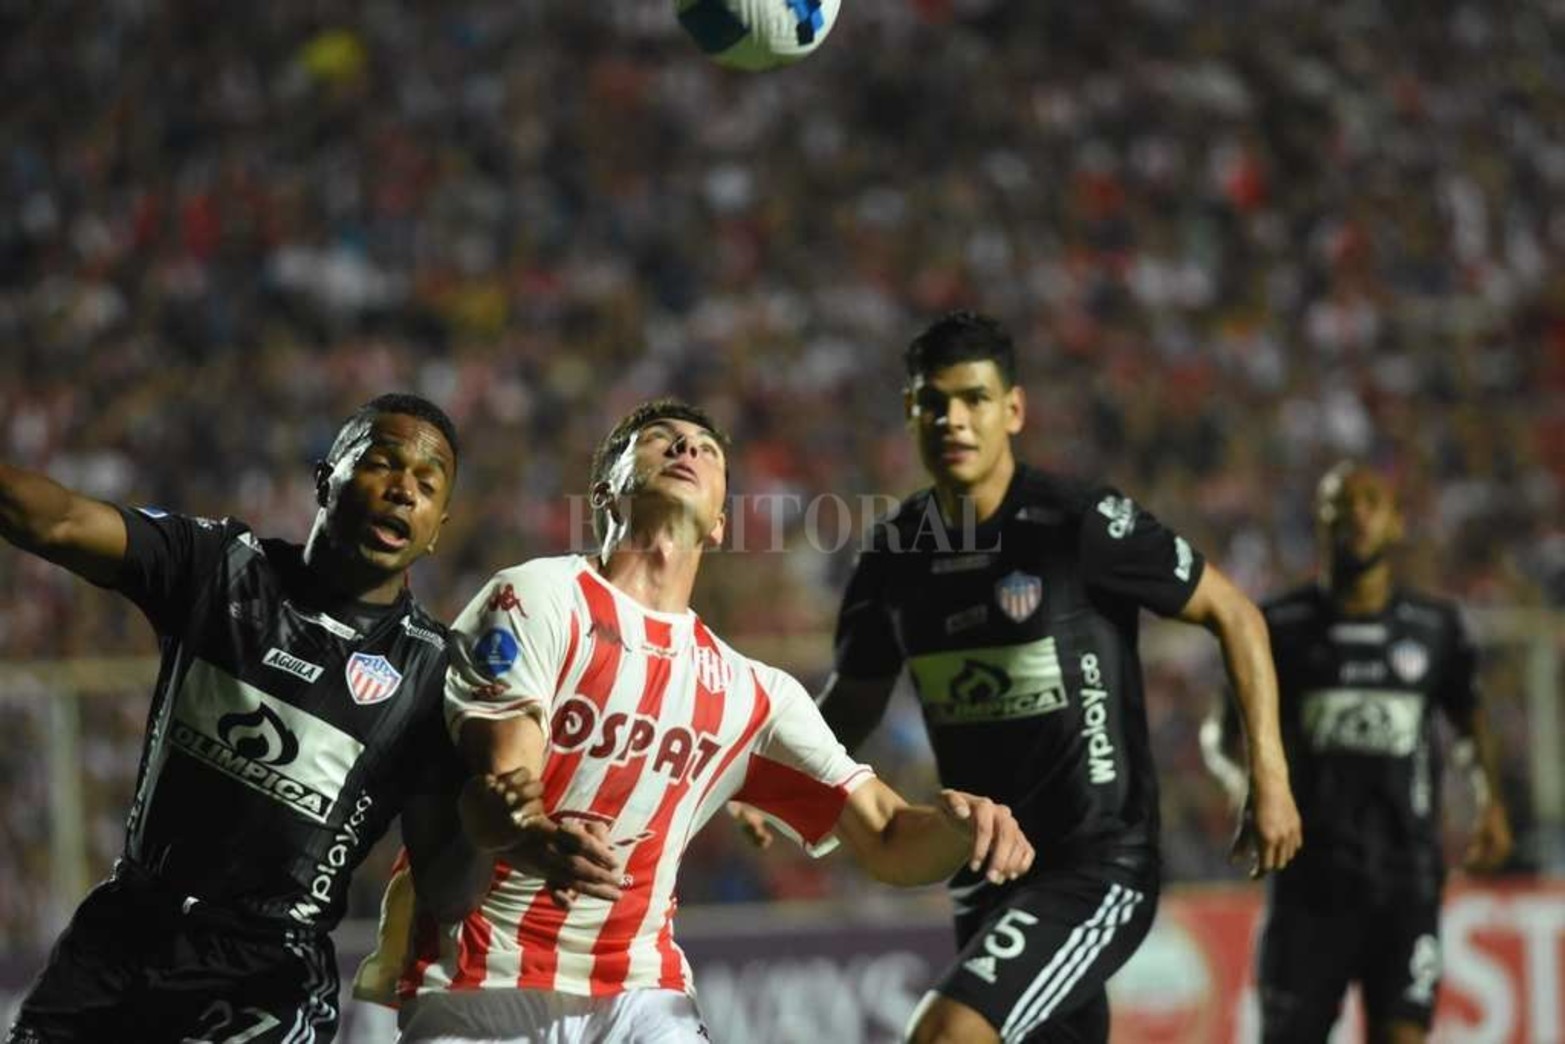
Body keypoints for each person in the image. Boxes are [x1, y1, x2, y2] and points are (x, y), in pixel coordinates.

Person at [378, 397, 1036, 1043]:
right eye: (661, 438)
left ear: (720, 521)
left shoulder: (752, 694)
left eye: (707, 449)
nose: (686, 448)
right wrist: (531, 834)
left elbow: (888, 836)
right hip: (479, 989)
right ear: (604, 492)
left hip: (641, 994)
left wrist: (960, 830)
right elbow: (498, 783)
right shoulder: (538, 596)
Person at [735, 310, 1303, 1044]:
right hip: (984, 877)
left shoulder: (1079, 524)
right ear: (910, 414)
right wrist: (779, 784)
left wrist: (1270, 775)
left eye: (973, 398)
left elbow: (1235, 613)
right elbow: (851, 702)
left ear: (1013, 410)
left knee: (946, 1034)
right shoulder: (893, 557)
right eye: (933, 402)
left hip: (1096, 865)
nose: (953, 418)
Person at [2, 393, 484, 1044]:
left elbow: (448, 889)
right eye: (383, 464)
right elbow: (56, 521)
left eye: (427, 486)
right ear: (325, 477)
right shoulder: (218, 568)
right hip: (120, 938)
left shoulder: (434, 677)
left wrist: (489, 808)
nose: (404, 491)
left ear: (438, 527)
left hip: (264, 974)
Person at [1201, 461, 1513, 1044]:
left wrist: (1489, 802)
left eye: (1371, 502)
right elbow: (1218, 734)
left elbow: (1469, 723)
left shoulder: (1435, 628)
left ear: (1396, 524)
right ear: (1319, 522)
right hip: (1309, 881)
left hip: (1407, 876)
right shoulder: (1279, 626)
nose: (1356, 514)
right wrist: (1249, 785)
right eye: (1339, 503)